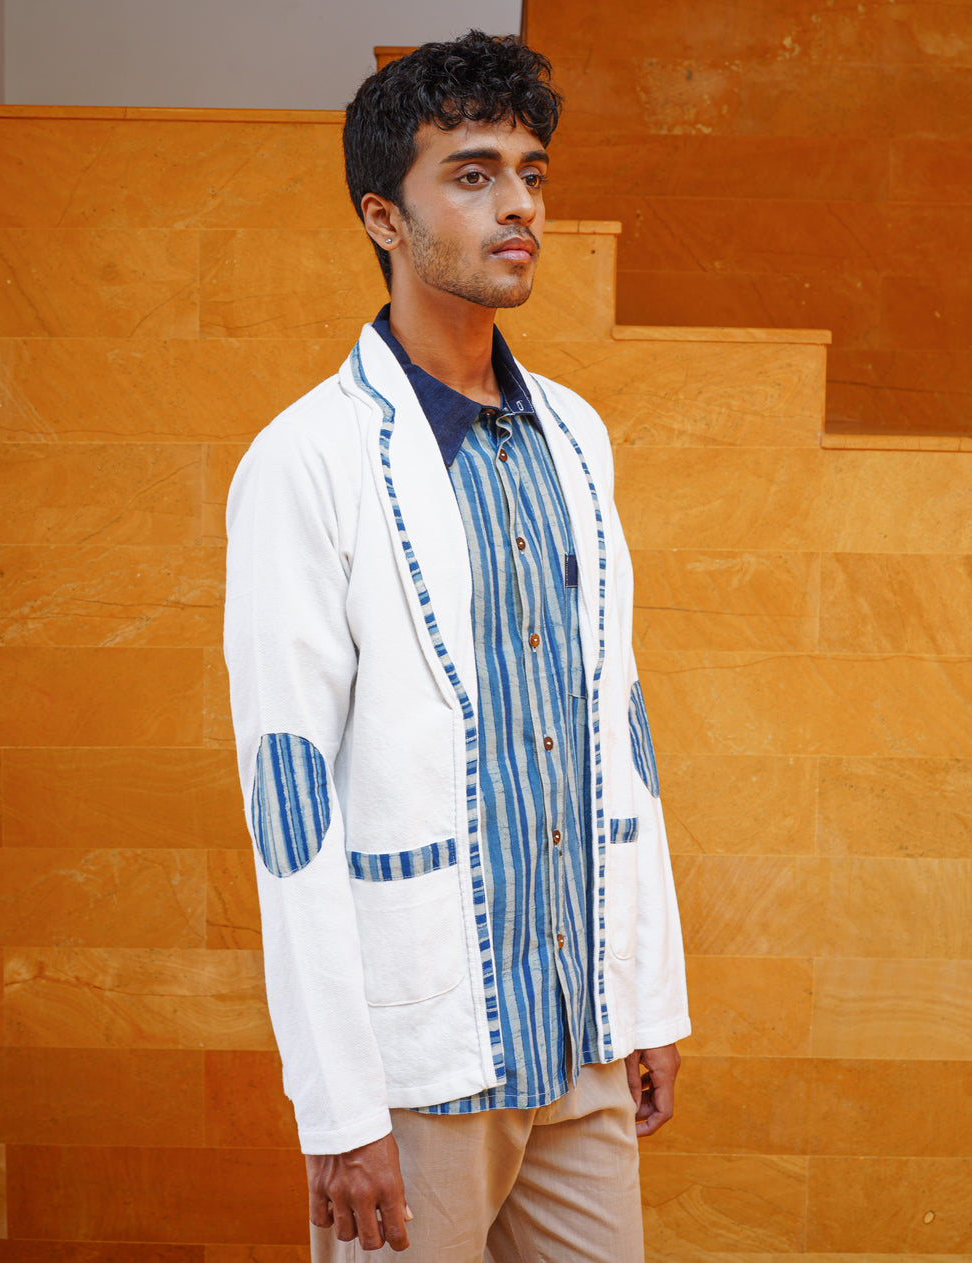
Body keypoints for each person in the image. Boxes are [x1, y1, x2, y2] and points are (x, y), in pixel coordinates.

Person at [223, 30, 690, 1262]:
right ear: (385, 214)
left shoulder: (575, 436)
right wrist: (338, 1110)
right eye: (473, 175)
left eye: (531, 172)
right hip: (422, 1061)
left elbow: (620, 730)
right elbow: (289, 803)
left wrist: (648, 998)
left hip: (583, 1042)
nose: (520, 204)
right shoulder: (305, 462)